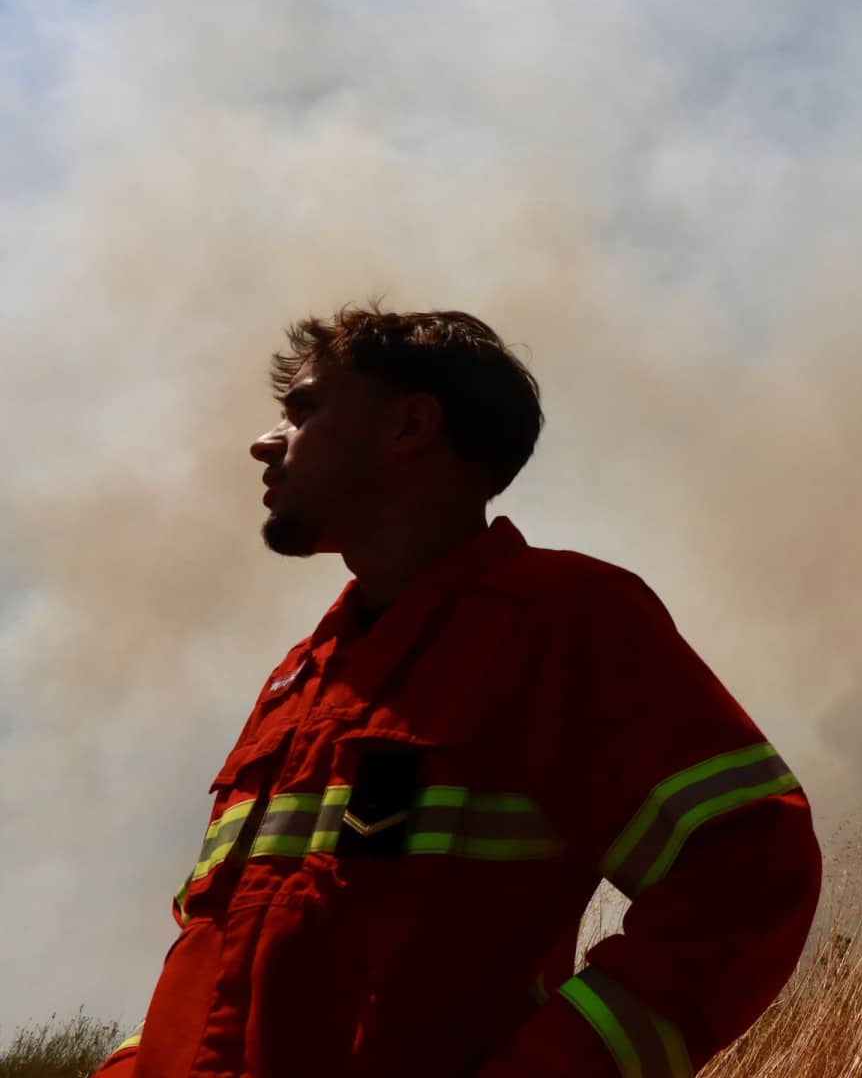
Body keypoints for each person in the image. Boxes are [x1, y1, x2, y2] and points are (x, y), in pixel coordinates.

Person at [93, 303, 821, 1077]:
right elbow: (210, 948)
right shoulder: (296, 682)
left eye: (303, 410)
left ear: (410, 427)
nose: (264, 441)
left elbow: (748, 868)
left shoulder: (559, 622)